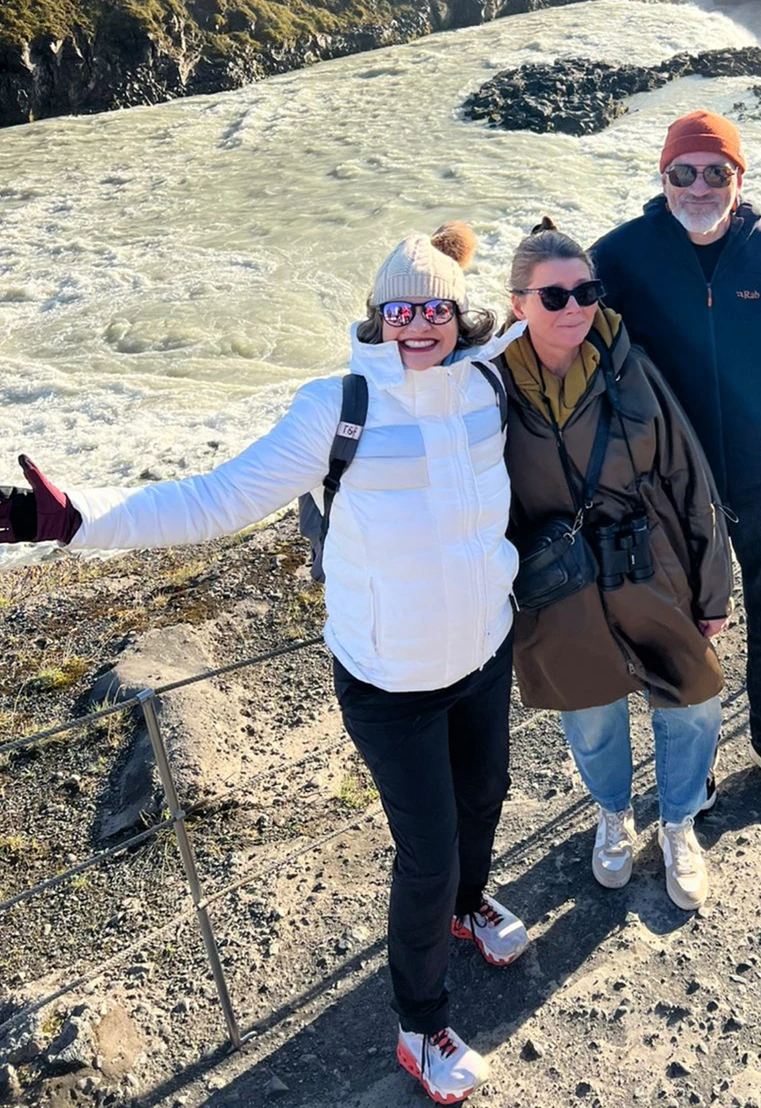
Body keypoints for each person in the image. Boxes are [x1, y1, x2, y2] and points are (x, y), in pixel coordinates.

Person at [0, 223, 525, 1106]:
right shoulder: (338, 405)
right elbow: (217, 496)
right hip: (390, 679)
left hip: (483, 648)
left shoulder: (485, 382)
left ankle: (473, 909)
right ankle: (420, 1024)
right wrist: (74, 519)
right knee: (426, 853)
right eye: (401, 311)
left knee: (485, 798)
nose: (419, 327)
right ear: (377, 317)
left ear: (459, 315)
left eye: (435, 309)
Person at [591, 111, 761, 821]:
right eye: (684, 172)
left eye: (716, 171)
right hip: (669, 487)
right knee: (679, 626)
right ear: (662, 176)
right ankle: (691, 767)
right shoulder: (620, 258)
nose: (699, 186)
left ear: (740, 177)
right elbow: (562, 332)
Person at [497, 220, 732, 910]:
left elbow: (692, 479)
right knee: (591, 715)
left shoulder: (633, 367)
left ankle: (681, 822)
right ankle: (614, 815)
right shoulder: (487, 387)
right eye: (553, 296)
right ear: (518, 304)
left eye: (586, 291)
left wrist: (712, 589)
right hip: (559, 586)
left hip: (650, 567)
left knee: (692, 700)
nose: (573, 307)